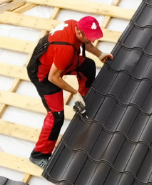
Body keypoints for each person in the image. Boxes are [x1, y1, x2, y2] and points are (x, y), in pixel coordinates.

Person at [26, 16, 113, 168]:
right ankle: (39, 155)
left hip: (57, 61)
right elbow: (54, 77)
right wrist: (74, 92)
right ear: (79, 32)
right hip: (44, 75)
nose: (91, 40)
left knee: (88, 65)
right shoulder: (65, 48)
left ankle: (85, 101)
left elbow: (86, 43)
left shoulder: (75, 25)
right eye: (89, 36)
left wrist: (100, 55)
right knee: (56, 116)